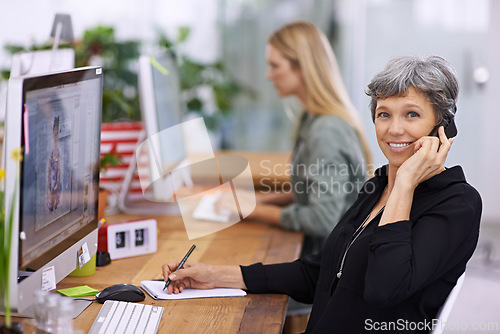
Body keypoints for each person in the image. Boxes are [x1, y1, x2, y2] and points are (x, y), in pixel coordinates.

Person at [163, 55, 482, 333]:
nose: (394, 129)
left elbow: (385, 288)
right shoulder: (379, 185)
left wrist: (405, 185)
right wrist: (214, 275)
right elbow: (320, 273)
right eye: (384, 114)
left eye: (411, 114)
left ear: (443, 127)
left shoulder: (457, 205)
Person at [218, 21, 372, 256]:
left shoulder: (326, 131)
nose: (268, 75)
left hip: (327, 262)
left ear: (302, 67)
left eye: (275, 66)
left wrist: (253, 210)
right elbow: (313, 189)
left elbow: (322, 217)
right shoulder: (311, 118)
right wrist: (260, 200)